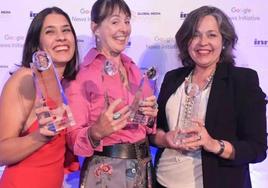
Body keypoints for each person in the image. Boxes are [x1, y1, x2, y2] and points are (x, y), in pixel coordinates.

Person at [150, 6, 267, 188]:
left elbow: (257, 150)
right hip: (162, 181)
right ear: (186, 41)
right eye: (195, 35)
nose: (202, 42)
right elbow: (153, 132)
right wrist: (165, 139)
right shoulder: (173, 78)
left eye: (211, 35)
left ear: (224, 41)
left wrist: (213, 144)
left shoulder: (242, 80)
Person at [64, 0, 158, 187]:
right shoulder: (81, 75)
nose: (124, 28)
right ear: (95, 28)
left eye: (127, 21)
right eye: (115, 22)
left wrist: (150, 117)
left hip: (144, 167)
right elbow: (72, 138)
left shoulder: (134, 69)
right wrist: (95, 132)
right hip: (106, 172)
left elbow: (147, 127)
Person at [0, 7, 79, 188]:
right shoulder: (26, 78)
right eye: (50, 32)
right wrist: (40, 137)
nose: (61, 37)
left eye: (66, 30)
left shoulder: (67, 85)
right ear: (37, 44)